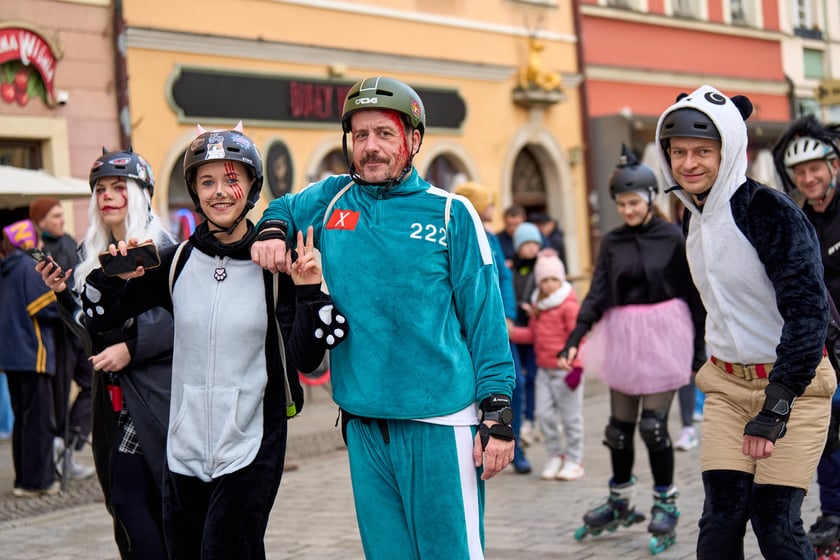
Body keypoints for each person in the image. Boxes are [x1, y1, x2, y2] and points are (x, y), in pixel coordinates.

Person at [251, 76, 515, 559]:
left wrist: (496, 414)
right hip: (364, 422)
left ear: (413, 140)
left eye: (384, 134)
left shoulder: (452, 214)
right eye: (360, 135)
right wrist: (271, 229)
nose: (370, 147)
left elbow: (485, 323)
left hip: (440, 423)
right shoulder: (332, 200)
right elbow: (284, 206)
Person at [81, 124, 345, 559]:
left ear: (252, 186)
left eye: (231, 179)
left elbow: (306, 359)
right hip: (184, 448)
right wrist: (110, 277)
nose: (220, 192)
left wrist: (309, 291)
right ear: (194, 190)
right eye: (207, 181)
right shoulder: (174, 260)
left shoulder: (272, 265)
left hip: (251, 446)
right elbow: (100, 318)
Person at [656, 84, 835, 559]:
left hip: (794, 391)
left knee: (775, 525)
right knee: (719, 524)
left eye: (703, 151)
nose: (689, 163)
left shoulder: (767, 211)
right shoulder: (691, 215)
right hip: (728, 390)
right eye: (678, 152)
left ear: (730, 150)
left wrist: (776, 405)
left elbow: (807, 312)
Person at [562, 145, 706, 554]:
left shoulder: (674, 236)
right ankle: (620, 501)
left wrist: (699, 351)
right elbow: (599, 292)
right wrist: (577, 335)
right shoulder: (611, 242)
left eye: (632, 202)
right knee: (617, 431)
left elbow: (694, 296)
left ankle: (666, 502)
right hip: (623, 335)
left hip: (666, 335)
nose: (626, 210)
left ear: (649, 199)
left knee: (653, 427)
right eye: (620, 203)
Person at [38, 148, 174, 558]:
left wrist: (132, 348)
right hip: (110, 403)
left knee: (144, 504)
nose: (107, 196)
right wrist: (64, 294)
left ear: (141, 193)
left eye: (119, 187)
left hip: (156, 397)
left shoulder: (166, 250)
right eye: (99, 189)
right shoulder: (89, 257)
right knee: (123, 510)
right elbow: (91, 338)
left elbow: (184, 318)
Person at [772, 114, 840, 555]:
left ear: (834, 165)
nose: (809, 178)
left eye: (816, 168)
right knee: (829, 429)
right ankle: (833, 511)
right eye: (800, 172)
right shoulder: (797, 219)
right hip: (823, 343)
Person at [455, 181, 531, 474]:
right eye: (488, 202)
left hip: (498, 326)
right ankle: (477, 445)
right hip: (468, 330)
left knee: (514, 387)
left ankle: (516, 445)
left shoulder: (492, 237)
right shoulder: (459, 233)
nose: (493, 208)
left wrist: (508, 315)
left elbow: (505, 280)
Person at [28, 196, 95, 480]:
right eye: (55, 216)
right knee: (57, 395)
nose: (61, 220)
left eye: (61, 214)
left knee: (92, 383)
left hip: (80, 331)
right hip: (57, 335)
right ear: (40, 221)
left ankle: (71, 439)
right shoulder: (38, 251)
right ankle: (62, 454)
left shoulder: (69, 240)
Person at [510, 251, 585, 481]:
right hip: (544, 370)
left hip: (566, 370)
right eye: (544, 280)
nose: (549, 285)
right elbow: (533, 334)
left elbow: (579, 337)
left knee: (570, 418)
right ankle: (555, 455)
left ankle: (574, 460)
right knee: (544, 415)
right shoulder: (538, 307)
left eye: (554, 280)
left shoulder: (569, 306)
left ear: (561, 280)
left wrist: (577, 366)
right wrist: (511, 333)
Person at [0, 219, 61, 497]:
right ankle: (39, 482)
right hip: (33, 353)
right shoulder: (28, 267)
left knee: (23, 423)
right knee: (38, 422)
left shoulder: (6, 269)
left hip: (12, 357)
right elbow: (46, 309)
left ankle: (23, 479)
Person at [511, 221, 544, 447]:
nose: (531, 248)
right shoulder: (511, 268)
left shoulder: (544, 268)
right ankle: (520, 418)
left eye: (535, 243)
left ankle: (531, 419)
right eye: (526, 243)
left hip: (535, 329)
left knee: (533, 376)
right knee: (518, 378)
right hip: (515, 329)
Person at [497, 204, 527, 269]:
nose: (512, 228)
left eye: (516, 224)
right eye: (509, 224)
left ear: (524, 220)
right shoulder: (497, 238)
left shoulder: (532, 236)